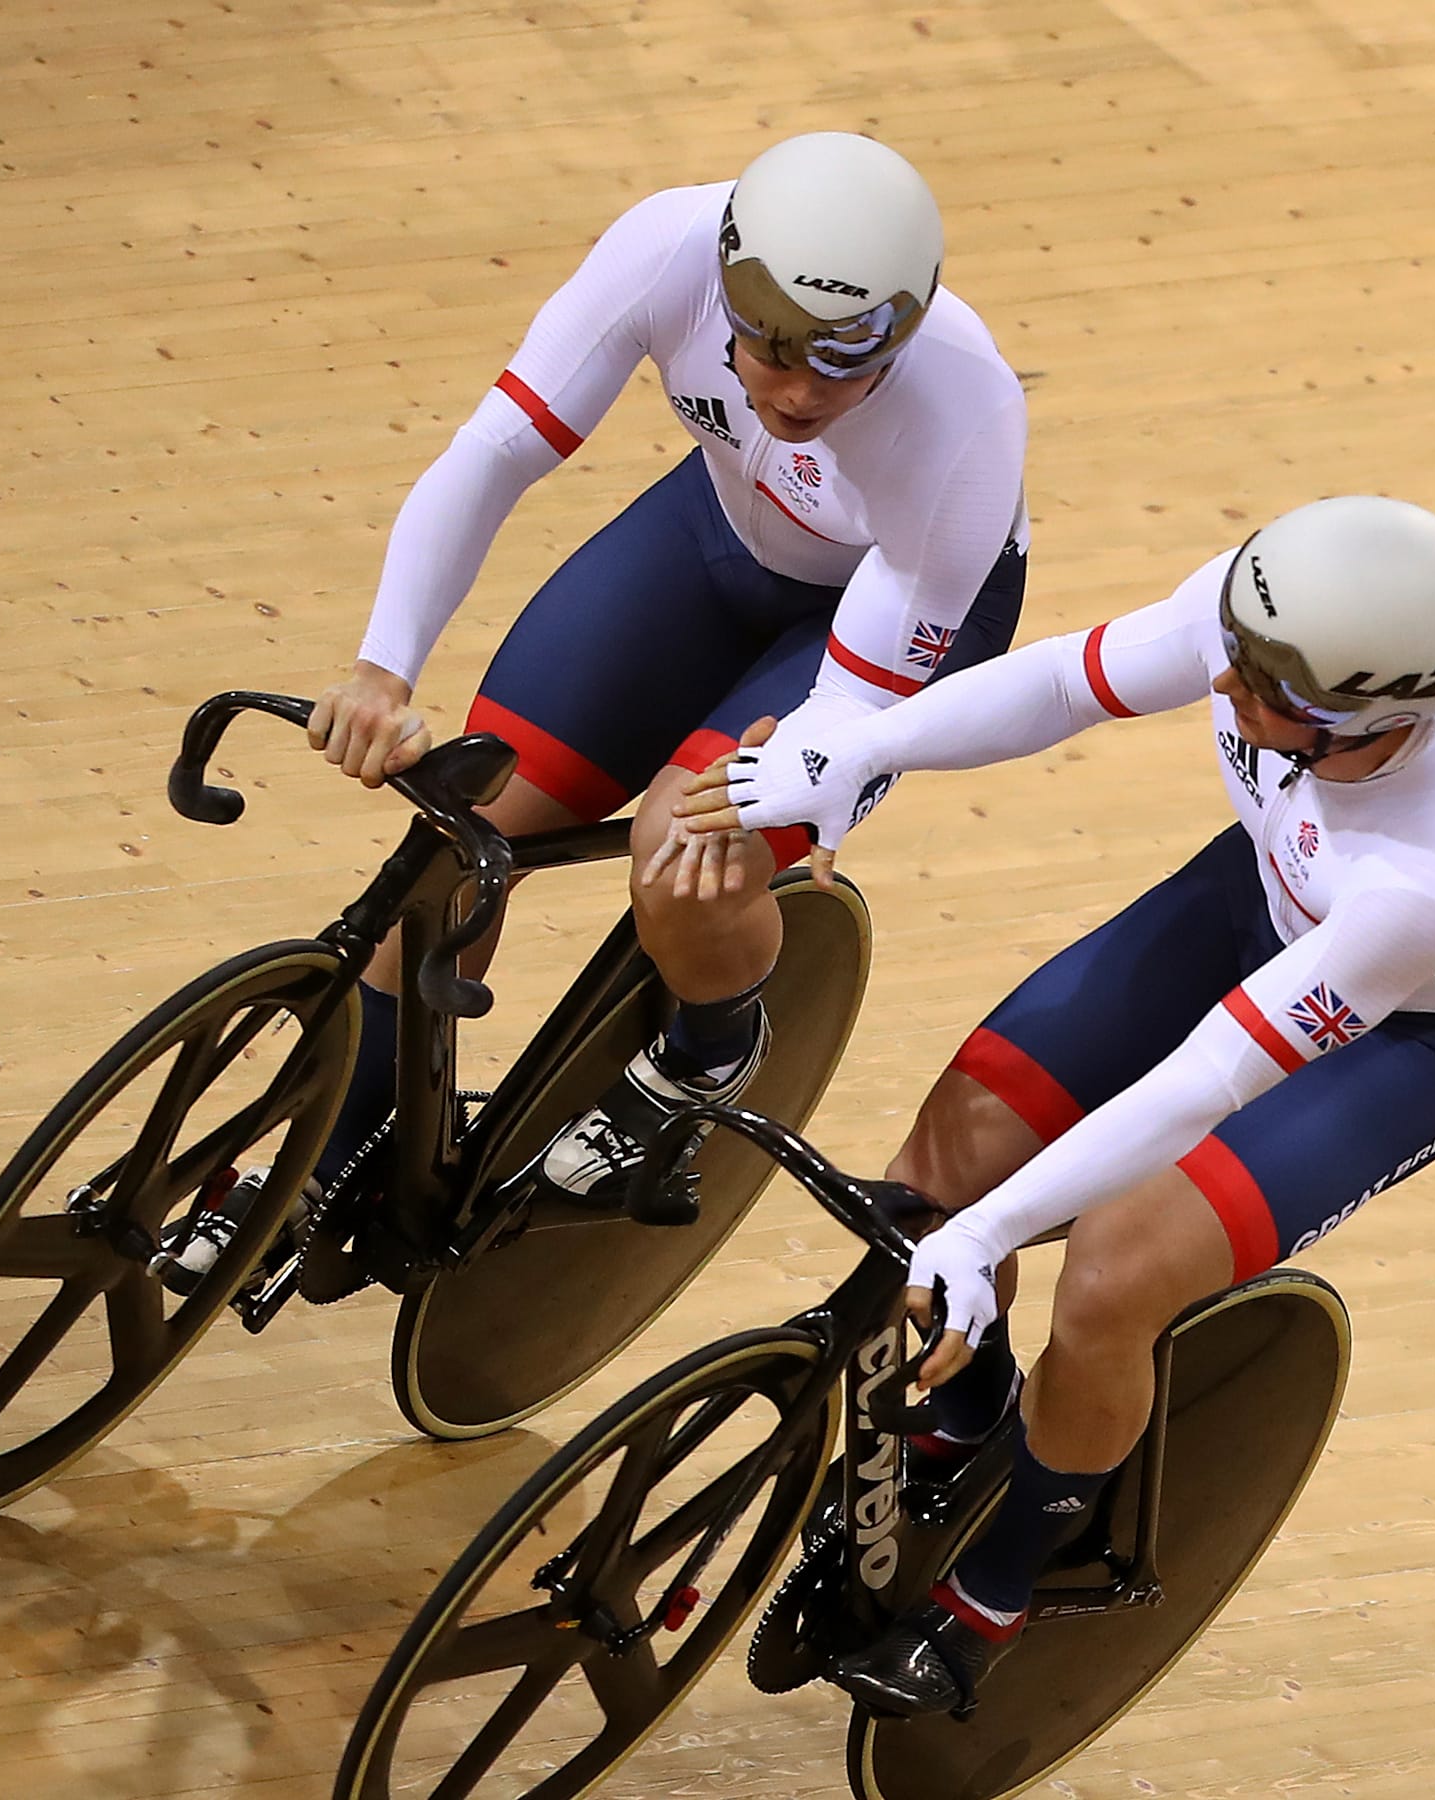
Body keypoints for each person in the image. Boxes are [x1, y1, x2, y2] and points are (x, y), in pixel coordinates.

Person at [682, 494, 1435, 1714]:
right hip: (1257, 902)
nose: (1234, 697)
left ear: (1388, 721)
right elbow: (1058, 685)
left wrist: (987, 1243)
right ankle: (972, 1407)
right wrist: (865, 745)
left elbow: (1206, 1080)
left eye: (1274, 703)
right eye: (1237, 668)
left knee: (1110, 1275)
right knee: (946, 1159)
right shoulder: (1273, 621)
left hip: (1409, 1038)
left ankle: (998, 1587)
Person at [295, 130, 1032, 1211]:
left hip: (890, 615)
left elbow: (849, 705)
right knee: (466, 825)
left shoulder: (964, 417)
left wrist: (792, 782)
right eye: (771, 350)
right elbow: (494, 452)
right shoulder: (667, 249)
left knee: (684, 852)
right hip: (715, 536)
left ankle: (709, 1054)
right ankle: (324, 1169)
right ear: (726, 289)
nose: (797, 394)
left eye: (844, 364)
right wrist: (381, 667)